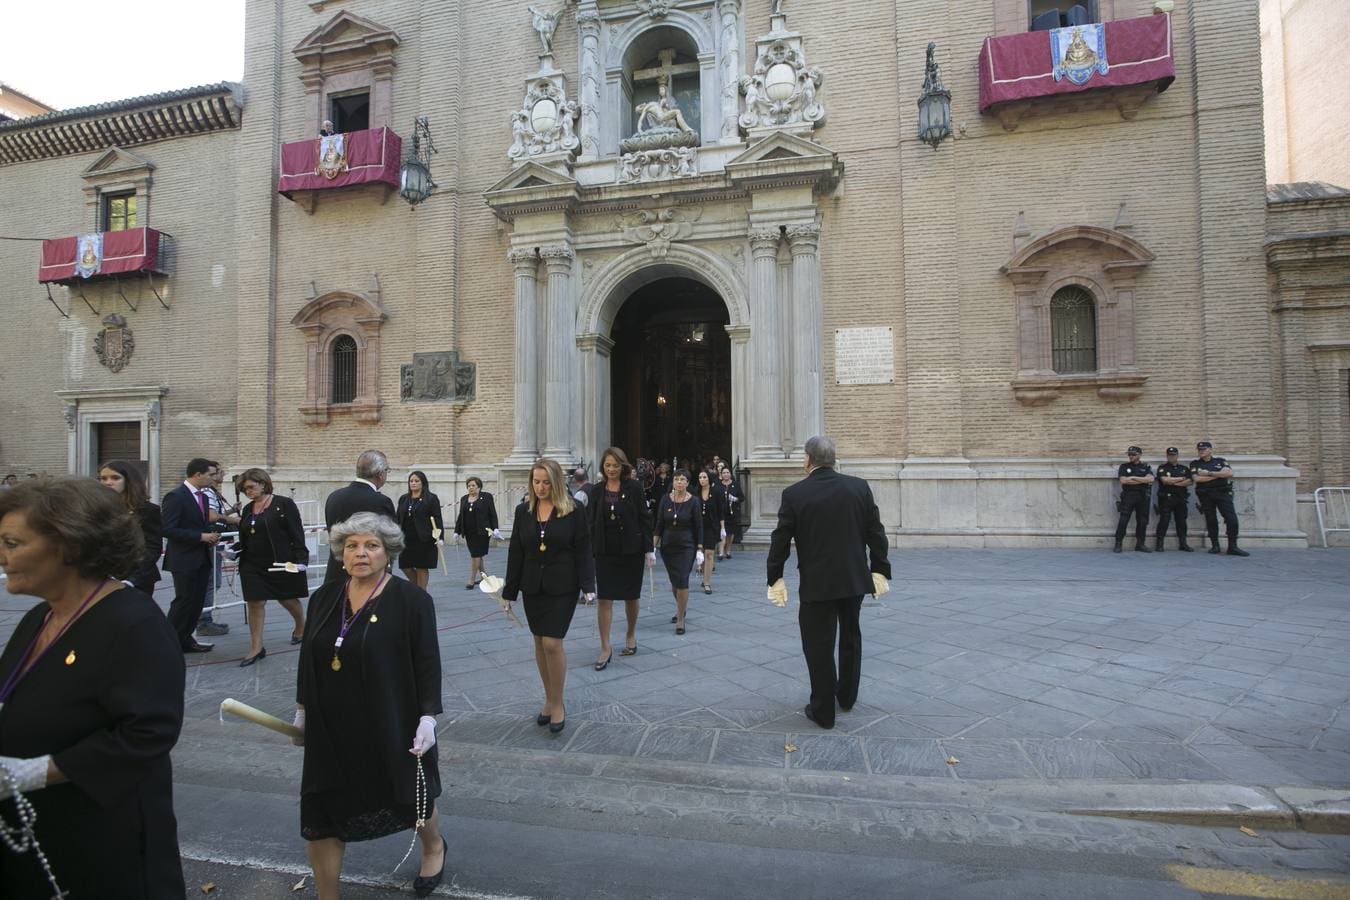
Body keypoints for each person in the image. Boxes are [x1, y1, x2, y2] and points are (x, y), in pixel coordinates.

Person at [0, 477, 186, 898]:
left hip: (100, 844)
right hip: (34, 834)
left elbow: (147, 734)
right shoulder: (39, 618)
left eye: (12, 543)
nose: (2, 557)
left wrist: (34, 772)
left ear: (69, 545)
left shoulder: (134, 624)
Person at [293, 512, 445, 899]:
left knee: (410, 795)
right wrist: (302, 709)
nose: (361, 553)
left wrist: (428, 717)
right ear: (341, 555)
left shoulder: (411, 600)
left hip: (390, 717)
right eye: (352, 546)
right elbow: (308, 657)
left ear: (388, 553)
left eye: (371, 546)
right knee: (321, 811)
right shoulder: (325, 597)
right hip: (330, 725)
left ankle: (433, 847)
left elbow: (427, 662)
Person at [767, 435, 891, 731]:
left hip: (817, 583)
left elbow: (780, 540)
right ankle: (847, 696)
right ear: (833, 459)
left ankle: (823, 710)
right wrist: (880, 570)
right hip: (853, 579)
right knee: (851, 637)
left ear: (808, 460)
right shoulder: (859, 487)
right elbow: (876, 532)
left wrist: (775, 577)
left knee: (818, 646)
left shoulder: (795, 493)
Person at [503, 459, 596, 734]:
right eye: (536, 481)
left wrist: (588, 585)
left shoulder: (573, 510)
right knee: (539, 643)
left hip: (563, 585)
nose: (540, 487)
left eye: (545, 482)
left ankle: (558, 704)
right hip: (533, 586)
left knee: (552, 643)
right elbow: (516, 551)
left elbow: (583, 549)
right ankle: (549, 698)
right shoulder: (523, 511)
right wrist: (509, 591)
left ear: (556, 482)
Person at [585, 447, 653, 669]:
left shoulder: (634, 488)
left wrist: (649, 549)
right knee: (604, 599)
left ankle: (630, 634)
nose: (611, 469)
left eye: (615, 465)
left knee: (631, 597)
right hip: (605, 551)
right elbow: (590, 521)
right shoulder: (596, 491)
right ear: (603, 467)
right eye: (607, 465)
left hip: (630, 551)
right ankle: (605, 647)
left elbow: (644, 517)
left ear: (622, 466)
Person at [235, 468, 309, 667]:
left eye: (251, 487)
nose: (248, 491)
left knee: (286, 598)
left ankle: (301, 623)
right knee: (255, 602)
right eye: (244, 489)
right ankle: (256, 646)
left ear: (263, 483)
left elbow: (296, 533)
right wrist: (234, 550)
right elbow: (245, 535)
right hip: (252, 564)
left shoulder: (284, 504)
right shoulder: (248, 509)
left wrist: (302, 560)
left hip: (280, 563)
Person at [161, 458, 222, 653]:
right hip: (183, 559)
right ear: (197, 474)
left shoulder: (203, 498)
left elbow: (201, 525)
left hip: (201, 557)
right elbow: (167, 529)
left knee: (197, 602)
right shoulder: (176, 496)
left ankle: (185, 639)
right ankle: (168, 642)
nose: (214, 478)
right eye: (211, 474)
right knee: (184, 601)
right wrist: (200, 536)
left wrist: (210, 537)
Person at [323, 450, 396, 583]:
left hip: (336, 572)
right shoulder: (380, 501)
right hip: (367, 575)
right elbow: (389, 542)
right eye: (387, 470)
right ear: (380, 474)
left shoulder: (334, 497)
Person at [98, 459, 163, 594]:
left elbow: (152, 548)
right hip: (100, 578)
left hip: (135, 579)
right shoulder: (96, 509)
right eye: (103, 478)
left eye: (115, 478)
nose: (108, 483)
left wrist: (131, 580)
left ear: (128, 481)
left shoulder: (147, 510)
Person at [654, 469, 702, 635]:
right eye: (676, 480)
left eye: (682, 480)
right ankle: (681, 607)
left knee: (682, 580)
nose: (679, 482)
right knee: (675, 583)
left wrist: (700, 549)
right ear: (672, 482)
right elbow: (659, 524)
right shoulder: (665, 500)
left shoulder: (694, 501)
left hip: (686, 546)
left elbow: (698, 526)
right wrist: (652, 547)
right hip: (668, 547)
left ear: (688, 483)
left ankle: (680, 619)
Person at [197, 459, 239, 637]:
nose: (222, 475)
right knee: (211, 582)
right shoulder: (207, 492)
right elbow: (212, 516)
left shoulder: (212, 492)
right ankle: (203, 621)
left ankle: (206, 619)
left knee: (213, 582)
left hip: (216, 542)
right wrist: (234, 520)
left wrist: (230, 512)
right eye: (218, 472)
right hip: (210, 543)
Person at [1191, 441, 1250, 556]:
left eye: (1204, 449)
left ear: (1210, 450)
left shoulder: (1220, 461)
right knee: (1211, 520)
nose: (1201, 451)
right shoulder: (1195, 464)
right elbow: (1197, 479)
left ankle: (1232, 546)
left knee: (1231, 518)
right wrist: (1218, 475)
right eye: (1199, 449)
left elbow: (1228, 474)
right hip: (1206, 494)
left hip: (1222, 493)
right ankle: (1215, 546)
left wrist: (1208, 473)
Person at [396, 471, 444, 591]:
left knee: (422, 567)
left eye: (416, 481)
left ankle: (421, 593)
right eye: (411, 481)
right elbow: (398, 518)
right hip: (406, 538)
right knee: (405, 566)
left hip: (424, 539)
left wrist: (440, 537)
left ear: (423, 483)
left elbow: (437, 518)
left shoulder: (431, 498)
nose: (413, 483)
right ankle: (418, 589)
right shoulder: (404, 499)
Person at [454, 476, 500, 589]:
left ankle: (472, 579)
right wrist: (457, 531)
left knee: (476, 555)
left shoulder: (486, 497)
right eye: (469, 486)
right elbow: (461, 516)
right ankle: (485, 576)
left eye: (473, 485)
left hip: (482, 532)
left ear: (479, 487)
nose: (471, 488)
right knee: (477, 555)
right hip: (469, 532)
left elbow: (492, 513)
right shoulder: (464, 498)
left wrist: (496, 528)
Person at [1113, 446, 1154, 553]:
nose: (1131, 456)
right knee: (1123, 520)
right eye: (1129, 454)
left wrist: (1132, 477)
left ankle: (1140, 544)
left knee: (1143, 521)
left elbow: (1150, 479)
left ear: (1139, 455)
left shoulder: (1146, 466)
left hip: (1143, 496)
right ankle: (1118, 543)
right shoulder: (1124, 466)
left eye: (1133, 454)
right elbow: (1123, 481)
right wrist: (1142, 480)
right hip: (1128, 496)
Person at [1155, 447, 1195, 552]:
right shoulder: (1162, 468)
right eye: (1169, 455)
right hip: (1166, 498)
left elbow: (1190, 481)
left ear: (1177, 456)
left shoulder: (1184, 468)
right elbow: (1165, 481)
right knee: (1164, 520)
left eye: (1173, 455)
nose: (1171, 457)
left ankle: (1183, 543)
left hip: (1181, 498)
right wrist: (1181, 479)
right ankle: (1159, 543)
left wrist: (1173, 482)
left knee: (1181, 521)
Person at [695, 469, 724, 595]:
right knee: (699, 553)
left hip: (711, 527)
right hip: (697, 527)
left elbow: (720, 511)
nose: (702, 479)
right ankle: (702, 572)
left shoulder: (716, 492)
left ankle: (707, 582)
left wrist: (722, 527)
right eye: (700, 477)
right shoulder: (695, 493)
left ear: (709, 479)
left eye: (704, 477)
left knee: (709, 554)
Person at [715, 466, 742, 560]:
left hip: (732, 513)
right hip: (721, 512)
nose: (726, 474)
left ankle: (728, 550)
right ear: (721, 475)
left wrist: (735, 499)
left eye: (727, 472)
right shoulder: (718, 486)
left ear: (730, 474)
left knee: (730, 533)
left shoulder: (736, 484)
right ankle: (721, 552)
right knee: (722, 532)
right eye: (724, 473)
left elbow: (742, 498)